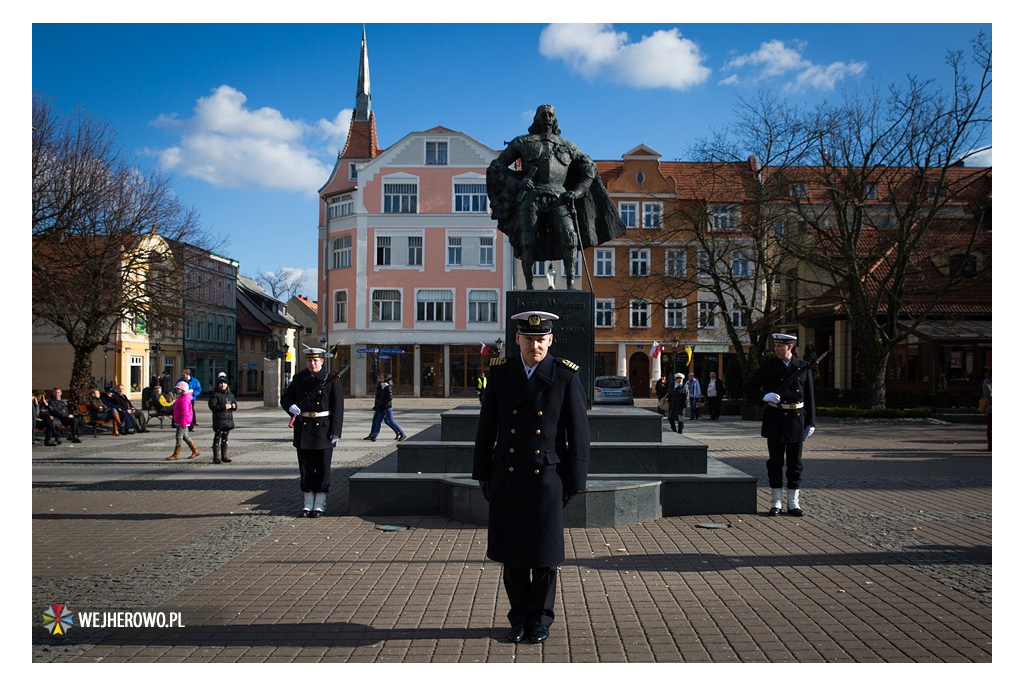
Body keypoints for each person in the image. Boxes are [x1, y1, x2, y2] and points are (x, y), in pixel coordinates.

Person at [472, 310, 590, 645]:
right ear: (517, 339)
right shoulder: (501, 374)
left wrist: (575, 480)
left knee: (544, 556)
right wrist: (482, 472)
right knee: (513, 556)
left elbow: (578, 432)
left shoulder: (565, 376)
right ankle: (519, 618)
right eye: (529, 338)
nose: (535, 345)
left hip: (547, 478)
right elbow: (487, 428)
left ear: (550, 340)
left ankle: (540, 620)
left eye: (541, 339)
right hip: (507, 476)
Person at [487, 104, 625, 290]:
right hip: (531, 197)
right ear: (536, 118)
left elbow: (589, 169)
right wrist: (517, 181)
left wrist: (578, 191)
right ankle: (529, 287)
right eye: (543, 114)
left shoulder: (567, 146)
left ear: (555, 119)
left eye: (550, 115)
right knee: (527, 241)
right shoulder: (522, 142)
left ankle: (570, 285)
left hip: (559, 197)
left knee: (570, 238)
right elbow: (497, 166)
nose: (547, 118)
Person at [744, 332, 817, 517]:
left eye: (780, 346)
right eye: (775, 346)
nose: (776, 349)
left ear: (790, 347)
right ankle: (776, 501)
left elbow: (810, 397)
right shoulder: (769, 367)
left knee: (795, 464)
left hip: (796, 419)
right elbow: (750, 387)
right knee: (775, 463)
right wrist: (763, 396)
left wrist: (811, 422)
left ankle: (793, 502)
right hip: (775, 418)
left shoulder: (802, 367)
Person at [281, 347, 345, 518]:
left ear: (322, 361)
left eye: (316, 360)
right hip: (304, 428)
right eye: (309, 360)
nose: (312, 363)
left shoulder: (331, 379)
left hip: (324, 429)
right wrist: (290, 407)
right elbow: (286, 398)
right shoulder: (299, 378)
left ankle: (320, 504)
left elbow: (338, 407)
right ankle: (308, 503)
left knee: (323, 468)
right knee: (306, 468)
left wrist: (336, 431)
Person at [363, 374, 407, 442]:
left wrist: (383, 403)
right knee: (377, 421)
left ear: (384, 379)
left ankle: (402, 434)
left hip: (386, 407)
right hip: (381, 407)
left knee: (391, 421)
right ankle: (374, 435)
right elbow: (379, 397)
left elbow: (389, 398)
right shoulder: (381, 385)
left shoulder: (387, 386)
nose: (378, 379)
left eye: (380, 378)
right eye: (378, 378)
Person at [166, 381, 201, 460]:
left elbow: (185, 412)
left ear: (183, 390)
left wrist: (184, 422)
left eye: (178, 389)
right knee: (185, 436)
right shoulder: (182, 397)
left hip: (182, 421)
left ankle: (176, 454)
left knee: (179, 436)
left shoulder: (184, 399)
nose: (177, 390)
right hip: (181, 420)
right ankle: (195, 450)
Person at [208, 372, 237, 464]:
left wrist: (234, 406)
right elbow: (212, 406)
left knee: (225, 437)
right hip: (219, 420)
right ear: (218, 384)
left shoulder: (230, 394)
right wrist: (223, 407)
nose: (223, 385)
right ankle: (216, 457)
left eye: (224, 383)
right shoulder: (215, 394)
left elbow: (235, 405)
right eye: (221, 383)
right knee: (217, 437)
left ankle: (224, 456)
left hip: (228, 420)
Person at [982, 371, 992, 451]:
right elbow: (989, 396)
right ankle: (991, 443)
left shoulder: (987, 381)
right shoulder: (988, 381)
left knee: (991, 426)